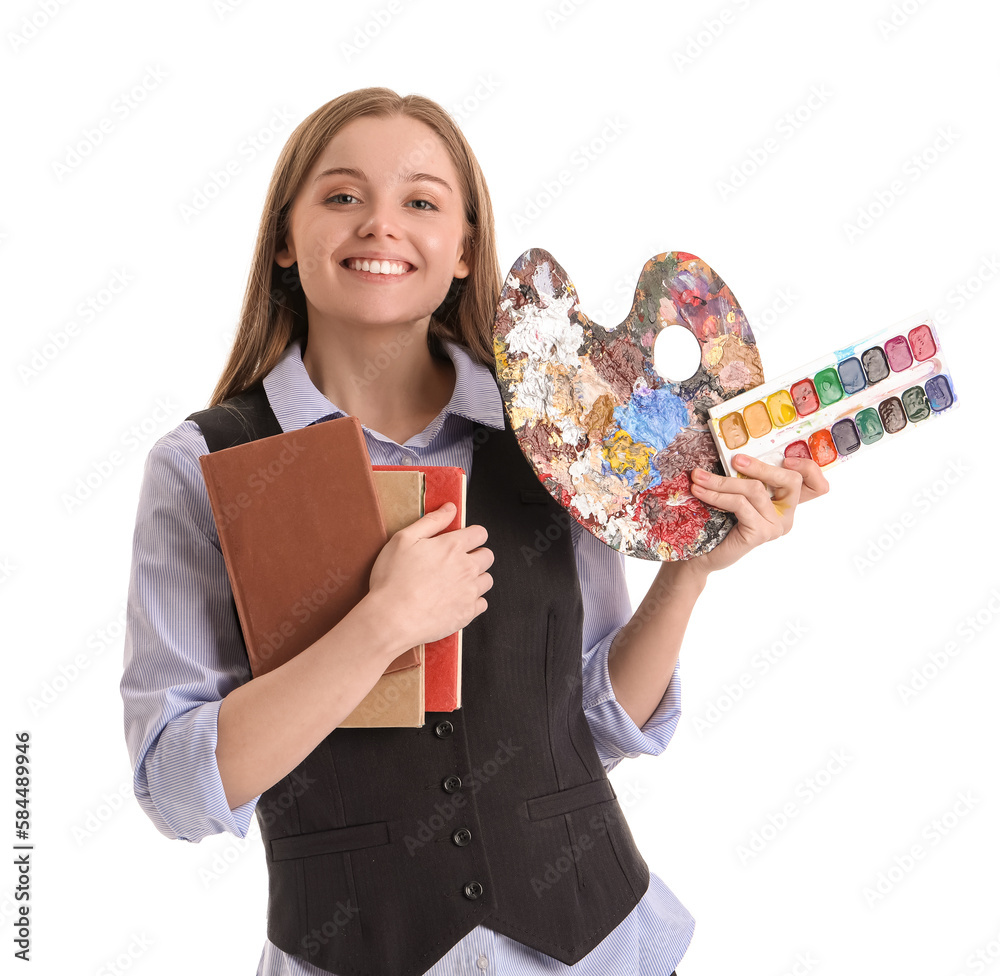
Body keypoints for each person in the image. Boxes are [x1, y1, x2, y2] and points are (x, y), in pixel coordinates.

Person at [120, 87, 828, 976]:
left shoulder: (553, 434)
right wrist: (379, 626)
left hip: (601, 950)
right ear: (284, 242)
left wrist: (689, 570)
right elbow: (180, 788)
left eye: (420, 201)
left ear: (462, 250)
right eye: (342, 196)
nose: (381, 225)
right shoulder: (204, 468)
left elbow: (597, 724)